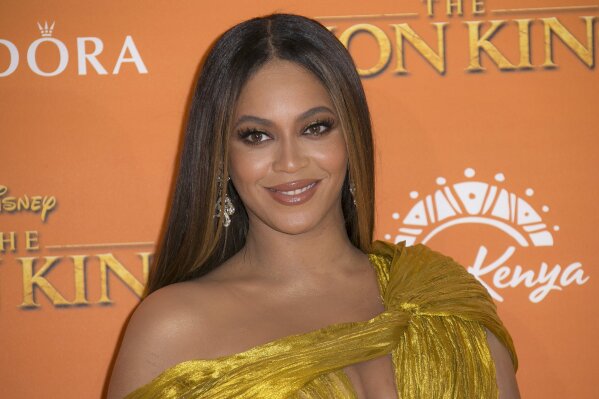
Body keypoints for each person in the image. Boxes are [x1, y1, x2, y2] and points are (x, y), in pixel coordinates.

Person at [106, 13, 519, 399]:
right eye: (256, 136)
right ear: (220, 156)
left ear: (350, 136)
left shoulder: (439, 294)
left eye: (314, 128)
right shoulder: (172, 327)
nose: (290, 162)